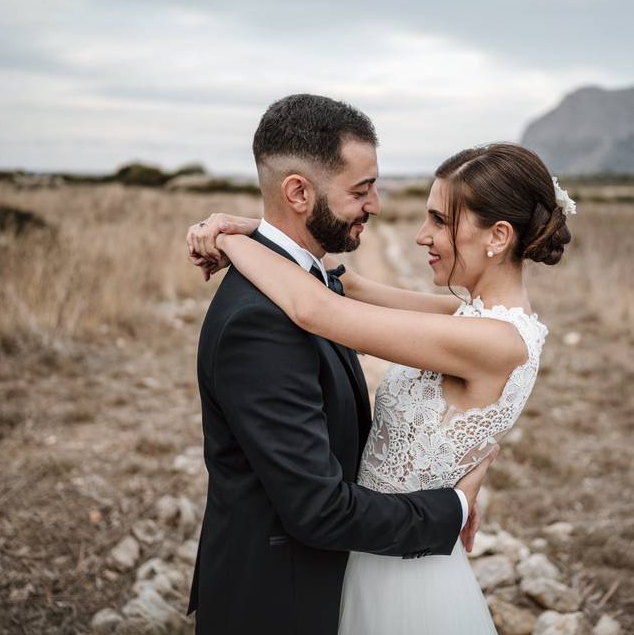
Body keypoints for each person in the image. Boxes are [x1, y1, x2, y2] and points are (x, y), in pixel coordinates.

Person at [188, 140, 573, 634]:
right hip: (377, 548)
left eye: (439, 220)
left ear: (497, 235)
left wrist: (227, 241)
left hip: (403, 573)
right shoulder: (474, 318)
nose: (421, 236)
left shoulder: (493, 340)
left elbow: (318, 310)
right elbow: (352, 287)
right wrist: (258, 230)